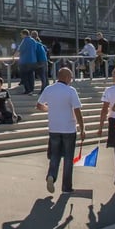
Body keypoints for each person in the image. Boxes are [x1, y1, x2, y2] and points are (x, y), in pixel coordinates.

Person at [36, 67, 84, 195]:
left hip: (54, 128)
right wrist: (82, 128)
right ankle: (66, 187)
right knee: (68, 158)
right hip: (68, 128)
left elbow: (39, 105)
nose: (71, 80)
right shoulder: (70, 91)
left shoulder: (49, 89)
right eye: (71, 77)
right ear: (67, 77)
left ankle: (51, 175)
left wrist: (49, 109)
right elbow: (77, 110)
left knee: (55, 155)